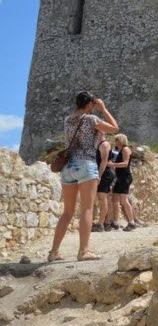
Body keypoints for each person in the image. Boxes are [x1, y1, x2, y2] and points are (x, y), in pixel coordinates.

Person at [49, 92, 119, 262]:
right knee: (86, 209)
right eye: (93, 104)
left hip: (68, 166)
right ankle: (83, 251)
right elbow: (115, 128)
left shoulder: (68, 120)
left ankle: (54, 252)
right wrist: (103, 108)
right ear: (90, 105)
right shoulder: (91, 119)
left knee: (67, 212)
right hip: (86, 164)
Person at [108, 134, 137, 231]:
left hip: (125, 177)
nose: (115, 141)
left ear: (121, 140)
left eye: (116, 139)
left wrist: (113, 164)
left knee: (124, 200)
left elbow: (125, 163)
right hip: (120, 178)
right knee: (115, 200)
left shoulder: (125, 150)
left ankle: (131, 222)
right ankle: (115, 222)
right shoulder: (120, 150)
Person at [92, 138, 116, 232]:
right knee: (104, 198)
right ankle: (106, 223)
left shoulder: (104, 145)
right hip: (102, 174)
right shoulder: (98, 144)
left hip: (105, 174)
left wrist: (99, 176)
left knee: (102, 197)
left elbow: (104, 161)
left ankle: (101, 224)